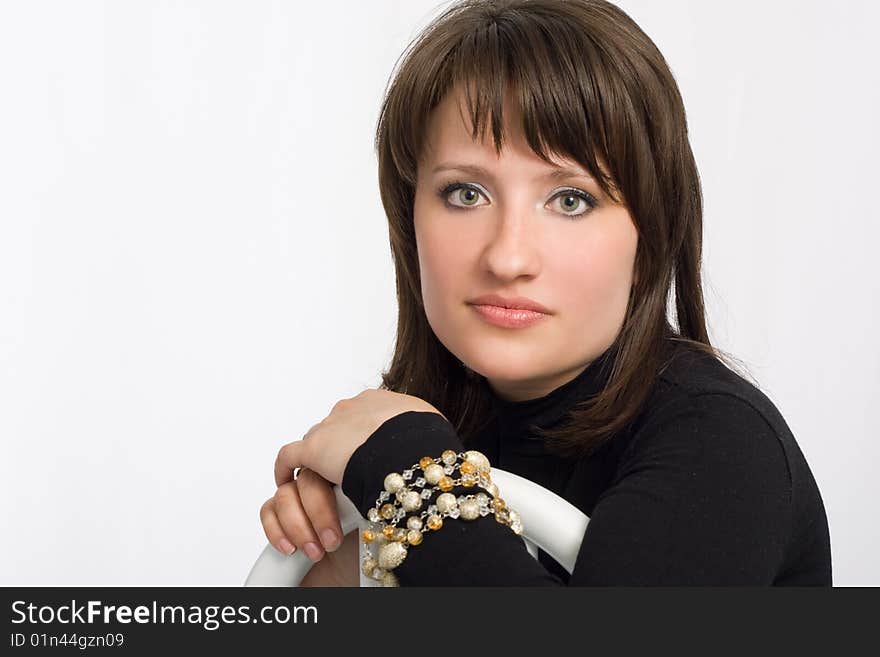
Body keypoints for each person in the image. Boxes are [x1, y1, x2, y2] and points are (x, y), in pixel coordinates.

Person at [258, 0, 832, 586]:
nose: (508, 257)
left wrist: (414, 480)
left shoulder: (722, 443)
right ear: (409, 219)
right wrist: (330, 566)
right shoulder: (426, 422)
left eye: (570, 200)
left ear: (651, 234)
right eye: (465, 194)